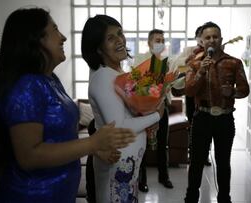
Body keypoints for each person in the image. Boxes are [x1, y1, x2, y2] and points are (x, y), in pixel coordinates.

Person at [0, 8, 136, 203]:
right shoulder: (27, 86)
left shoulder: (50, 79)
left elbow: (59, 136)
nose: (63, 37)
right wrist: (92, 143)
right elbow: (29, 156)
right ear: (36, 40)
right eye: (55, 30)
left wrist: (95, 149)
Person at [81, 15, 165, 202]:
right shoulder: (103, 77)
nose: (120, 40)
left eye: (120, 33)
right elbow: (118, 126)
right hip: (117, 166)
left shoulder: (117, 73)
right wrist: (156, 116)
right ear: (98, 48)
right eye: (110, 38)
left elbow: (127, 112)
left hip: (127, 166)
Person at [184, 22, 250, 203]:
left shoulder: (234, 62)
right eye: (207, 37)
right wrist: (201, 72)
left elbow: (245, 90)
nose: (212, 40)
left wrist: (233, 92)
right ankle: (191, 198)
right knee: (196, 162)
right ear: (201, 41)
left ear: (220, 39)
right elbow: (189, 91)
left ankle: (224, 198)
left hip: (225, 119)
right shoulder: (195, 64)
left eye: (215, 36)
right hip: (202, 118)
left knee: (223, 163)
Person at [133, 29, 174, 192]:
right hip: (144, 109)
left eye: (163, 40)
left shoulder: (167, 61)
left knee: (163, 143)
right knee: (142, 144)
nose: (161, 43)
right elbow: (134, 83)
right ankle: (141, 179)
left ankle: (164, 177)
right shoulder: (139, 59)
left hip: (162, 107)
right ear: (149, 43)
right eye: (157, 40)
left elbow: (172, 84)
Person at [170, 25, 212, 166]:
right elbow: (177, 65)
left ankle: (205, 155)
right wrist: (188, 59)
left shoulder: (214, 51)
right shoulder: (190, 50)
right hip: (191, 93)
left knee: (208, 125)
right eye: (200, 36)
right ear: (197, 38)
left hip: (206, 94)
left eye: (205, 36)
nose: (202, 39)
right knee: (192, 123)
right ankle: (193, 152)